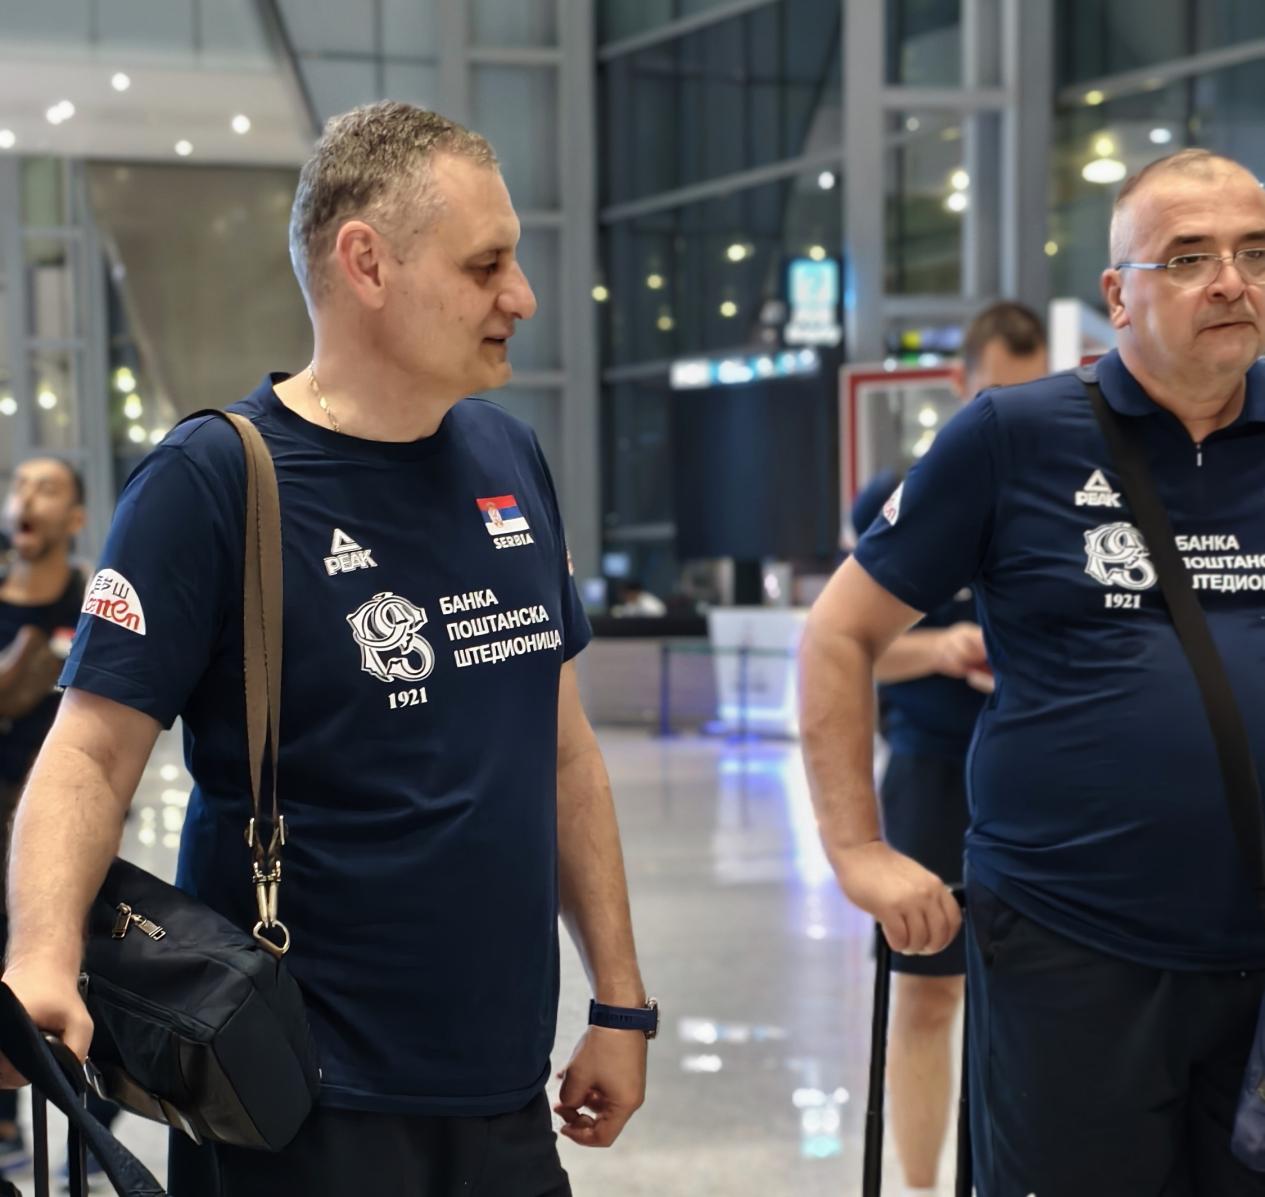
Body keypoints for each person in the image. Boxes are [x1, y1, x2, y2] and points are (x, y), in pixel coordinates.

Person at [2, 102, 652, 1197]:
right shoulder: (214, 481)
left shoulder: (511, 457)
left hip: (501, 1093)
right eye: (485, 264)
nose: (521, 297)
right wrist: (42, 957)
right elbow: (89, 755)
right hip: (293, 1101)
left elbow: (563, 755)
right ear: (367, 263)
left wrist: (620, 1002)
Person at [800, 147, 1265, 1195]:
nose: (1229, 281)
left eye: (1254, 253)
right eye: (1188, 257)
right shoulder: (1012, 437)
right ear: (1117, 295)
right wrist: (856, 848)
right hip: (1074, 952)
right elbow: (837, 633)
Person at [848, 301, 1047, 1197]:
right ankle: (923, 1186)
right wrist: (941, 649)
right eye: (994, 391)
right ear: (963, 383)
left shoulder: (1063, 501)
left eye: (1028, 391)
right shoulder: (905, 495)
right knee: (927, 990)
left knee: (1040, 1005)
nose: (1009, 413)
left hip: (1038, 777)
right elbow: (848, 646)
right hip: (932, 771)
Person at [0, 457, 87, 1175]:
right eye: (20, 485)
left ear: (76, 518)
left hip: (59, 830)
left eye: (47, 487)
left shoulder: (92, 604)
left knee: (89, 969)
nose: (27, 498)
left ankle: (91, 1127)